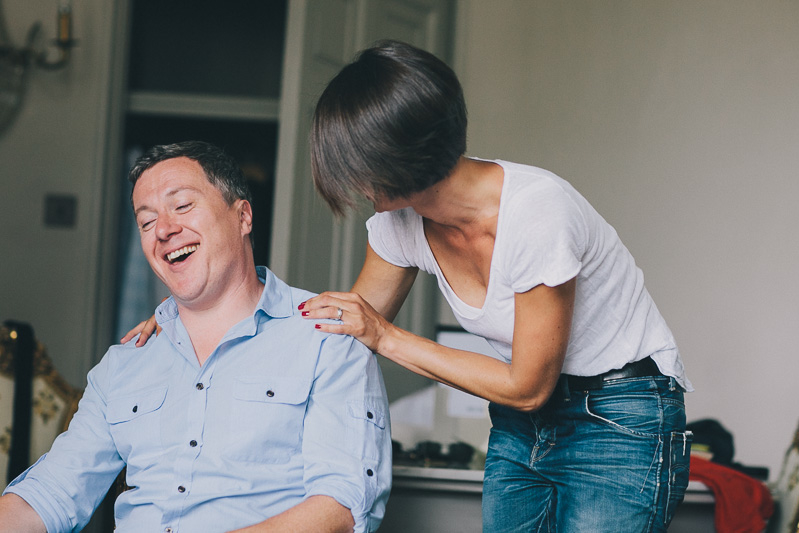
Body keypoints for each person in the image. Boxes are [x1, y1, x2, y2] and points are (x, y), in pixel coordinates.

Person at [127, 41, 694, 532]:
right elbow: (337, 331)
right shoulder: (399, 225)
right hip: (521, 425)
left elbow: (527, 385)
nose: (350, 184)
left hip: (620, 413)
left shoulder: (538, 213)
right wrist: (198, 318)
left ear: (393, 156)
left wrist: (387, 336)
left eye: (351, 165)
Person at [0, 141, 391, 533]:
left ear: (243, 217)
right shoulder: (125, 363)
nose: (164, 230)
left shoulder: (327, 338)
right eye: (147, 222)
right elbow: (52, 493)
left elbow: (341, 509)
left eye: (183, 206)